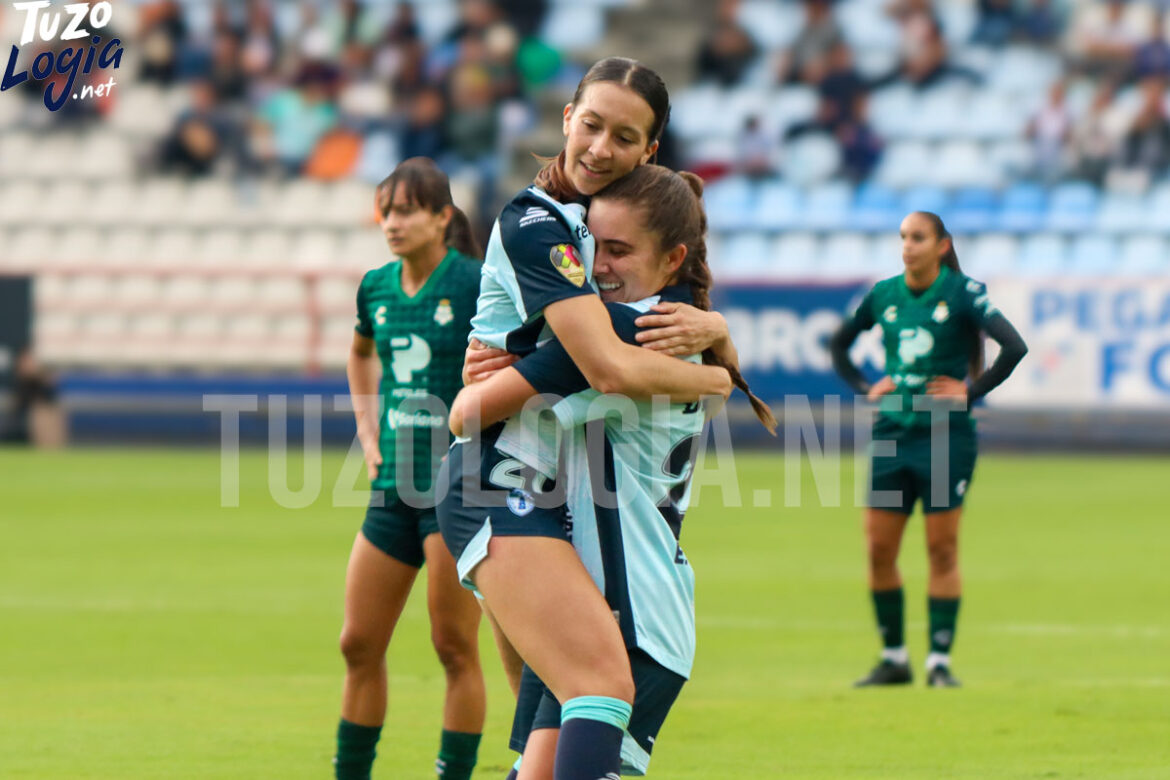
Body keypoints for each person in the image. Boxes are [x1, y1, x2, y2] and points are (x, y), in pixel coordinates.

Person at [437, 57, 735, 780]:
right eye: (592, 125)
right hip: (501, 479)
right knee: (600, 684)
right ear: (567, 118)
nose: (601, 148)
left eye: (624, 137)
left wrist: (717, 343)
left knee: (561, 727)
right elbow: (605, 368)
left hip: (551, 496)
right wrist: (719, 374)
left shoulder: (596, 234)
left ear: (649, 151)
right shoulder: (538, 222)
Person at [334, 157, 491, 780]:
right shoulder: (375, 286)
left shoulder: (474, 283)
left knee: (453, 646)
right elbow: (359, 354)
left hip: (457, 490)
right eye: (386, 212)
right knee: (357, 643)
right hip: (392, 485)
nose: (392, 224)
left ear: (442, 217)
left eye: (406, 211)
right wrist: (367, 429)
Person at [829, 211, 1027, 688]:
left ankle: (939, 661)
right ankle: (894, 658)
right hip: (892, 435)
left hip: (944, 438)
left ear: (941, 246)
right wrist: (866, 386)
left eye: (918, 237)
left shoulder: (963, 293)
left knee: (941, 549)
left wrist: (969, 393)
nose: (907, 246)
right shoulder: (883, 295)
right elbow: (839, 345)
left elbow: (1013, 346)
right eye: (903, 237)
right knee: (879, 549)